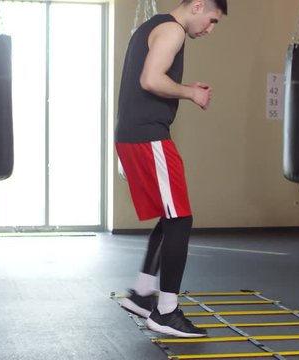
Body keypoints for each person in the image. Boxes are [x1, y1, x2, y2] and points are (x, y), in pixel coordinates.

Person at [114, 0, 227, 338]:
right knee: (180, 218)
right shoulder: (173, 30)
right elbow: (150, 79)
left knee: (171, 215)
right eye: (211, 20)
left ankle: (142, 292)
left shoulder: (155, 26)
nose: (209, 29)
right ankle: (166, 312)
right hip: (148, 135)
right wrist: (190, 92)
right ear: (196, 6)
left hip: (137, 134)